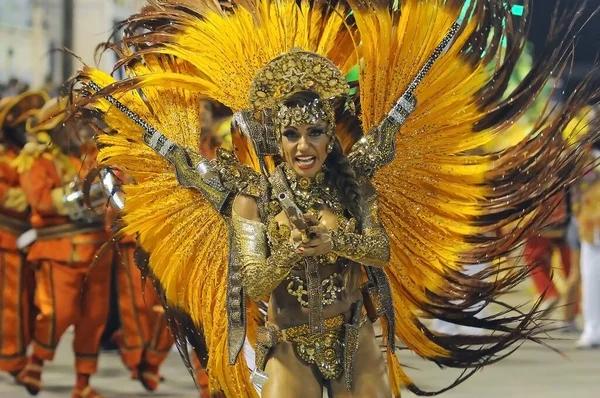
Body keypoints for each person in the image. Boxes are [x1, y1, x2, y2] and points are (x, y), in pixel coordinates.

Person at [72, 0, 600, 396]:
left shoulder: (354, 183)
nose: (305, 146)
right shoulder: (251, 198)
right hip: (288, 346)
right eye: (293, 136)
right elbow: (253, 279)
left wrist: (335, 236)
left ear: (329, 135)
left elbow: (381, 251)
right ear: (275, 141)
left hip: (356, 339)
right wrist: (293, 250)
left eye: (316, 134)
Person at [15, 97, 112, 398]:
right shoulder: (36, 160)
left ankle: (83, 384)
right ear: (56, 129)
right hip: (60, 250)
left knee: (94, 318)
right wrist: (84, 196)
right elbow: (42, 201)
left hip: (97, 249)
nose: (80, 128)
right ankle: (36, 362)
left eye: (81, 122)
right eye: (73, 122)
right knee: (58, 313)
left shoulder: (93, 155)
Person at [0, 91, 47, 378]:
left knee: (31, 303)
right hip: (8, 240)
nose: (27, 132)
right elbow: (10, 198)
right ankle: (13, 359)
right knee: (12, 303)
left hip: (33, 239)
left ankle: (22, 355)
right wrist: (38, 194)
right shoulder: (4, 159)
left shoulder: (31, 157)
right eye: (22, 126)